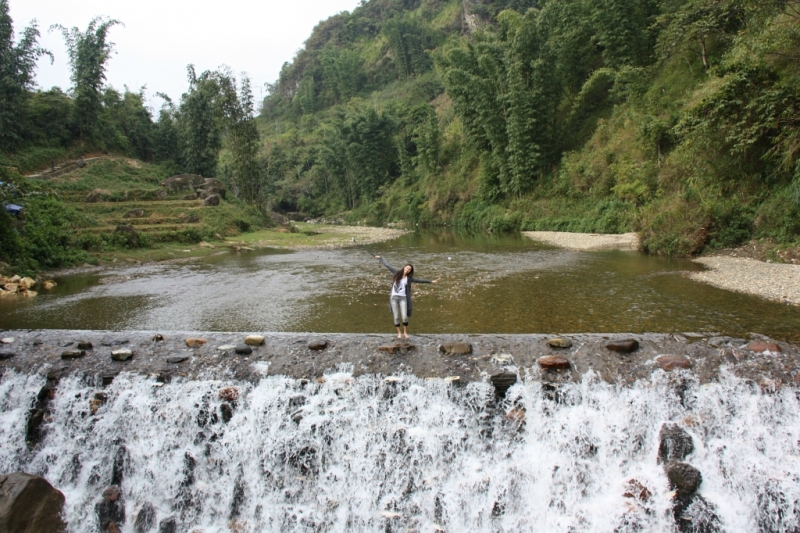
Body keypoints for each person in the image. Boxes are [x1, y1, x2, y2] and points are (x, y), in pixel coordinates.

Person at [374, 255, 438, 339]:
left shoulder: (409, 278)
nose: (407, 270)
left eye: (409, 269)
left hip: (403, 298)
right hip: (394, 298)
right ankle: (399, 333)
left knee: (404, 317)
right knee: (396, 317)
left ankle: (405, 332)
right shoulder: (396, 273)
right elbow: (387, 265)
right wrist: (381, 258)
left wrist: (431, 281)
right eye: (407, 268)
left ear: (410, 271)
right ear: (404, 267)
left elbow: (419, 280)